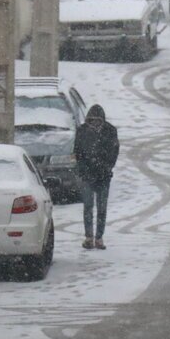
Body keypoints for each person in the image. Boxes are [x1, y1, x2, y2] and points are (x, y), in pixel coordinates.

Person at [74, 104, 120, 250]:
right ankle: (89, 237)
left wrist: (107, 167)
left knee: (101, 208)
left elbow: (114, 152)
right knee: (88, 206)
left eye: (97, 120)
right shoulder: (81, 131)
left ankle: (99, 237)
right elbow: (78, 152)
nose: (95, 123)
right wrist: (83, 169)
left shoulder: (110, 131)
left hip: (103, 176)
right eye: (92, 120)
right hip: (88, 175)